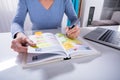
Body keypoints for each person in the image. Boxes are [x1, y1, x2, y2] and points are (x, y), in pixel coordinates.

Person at [11, 0, 80, 53]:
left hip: (59, 42)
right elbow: (17, 22)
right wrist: (19, 34)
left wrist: (74, 28)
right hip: (36, 41)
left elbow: (74, 19)